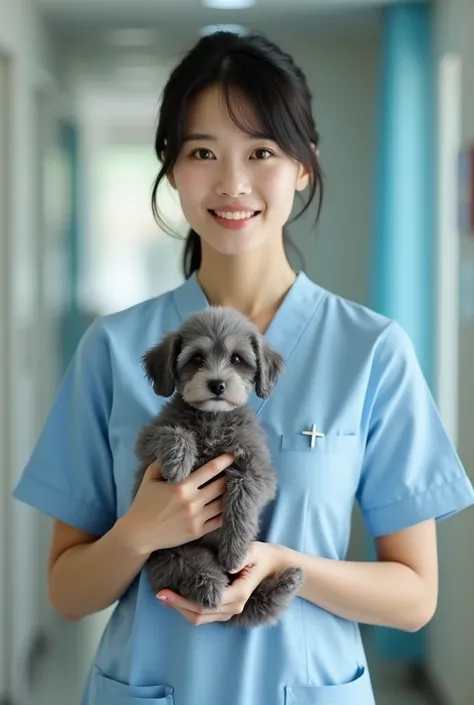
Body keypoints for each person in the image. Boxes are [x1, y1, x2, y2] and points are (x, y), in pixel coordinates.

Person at [12, 30, 474, 705]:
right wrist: (141, 529)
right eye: (203, 152)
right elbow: (68, 590)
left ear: (303, 166)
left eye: (261, 152)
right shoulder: (113, 348)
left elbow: (414, 597)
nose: (232, 183)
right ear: (171, 168)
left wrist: (288, 565)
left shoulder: (371, 349)